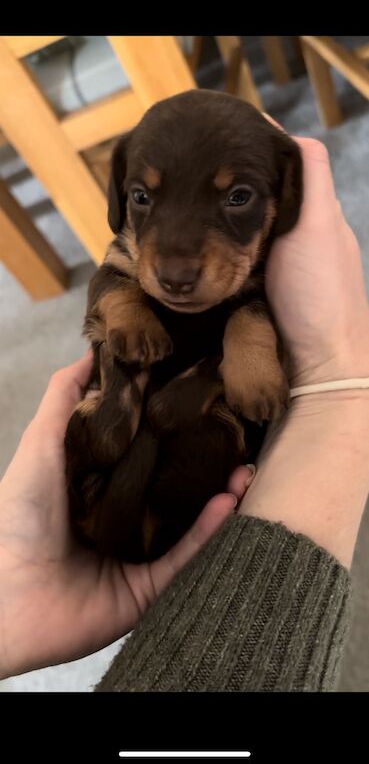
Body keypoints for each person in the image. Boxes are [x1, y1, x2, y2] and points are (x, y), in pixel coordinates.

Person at [1, 127, 369, 692]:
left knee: (216, 448)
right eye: (143, 198)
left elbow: (254, 308)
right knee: (107, 430)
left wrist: (309, 370)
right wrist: (124, 314)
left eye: (237, 196)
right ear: (121, 197)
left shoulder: (253, 272)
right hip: (107, 483)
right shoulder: (129, 253)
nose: (175, 266)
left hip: (193, 453)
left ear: (285, 195)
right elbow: (110, 284)